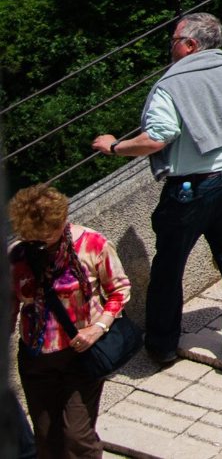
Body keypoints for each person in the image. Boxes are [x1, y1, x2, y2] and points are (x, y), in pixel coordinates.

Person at [91, 13, 222, 370]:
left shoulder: (172, 84)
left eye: (174, 40)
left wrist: (115, 147)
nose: (171, 47)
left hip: (191, 188)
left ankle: (162, 346)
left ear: (191, 45)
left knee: (168, 267)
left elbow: (157, 137)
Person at [9, 183, 131, 459]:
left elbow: (120, 289)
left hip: (81, 354)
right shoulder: (16, 256)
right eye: (31, 237)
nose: (38, 242)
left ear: (62, 221)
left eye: (45, 236)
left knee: (77, 437)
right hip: (36, 356)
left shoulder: (92, 244)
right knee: (46, 438)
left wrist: (97, 328)